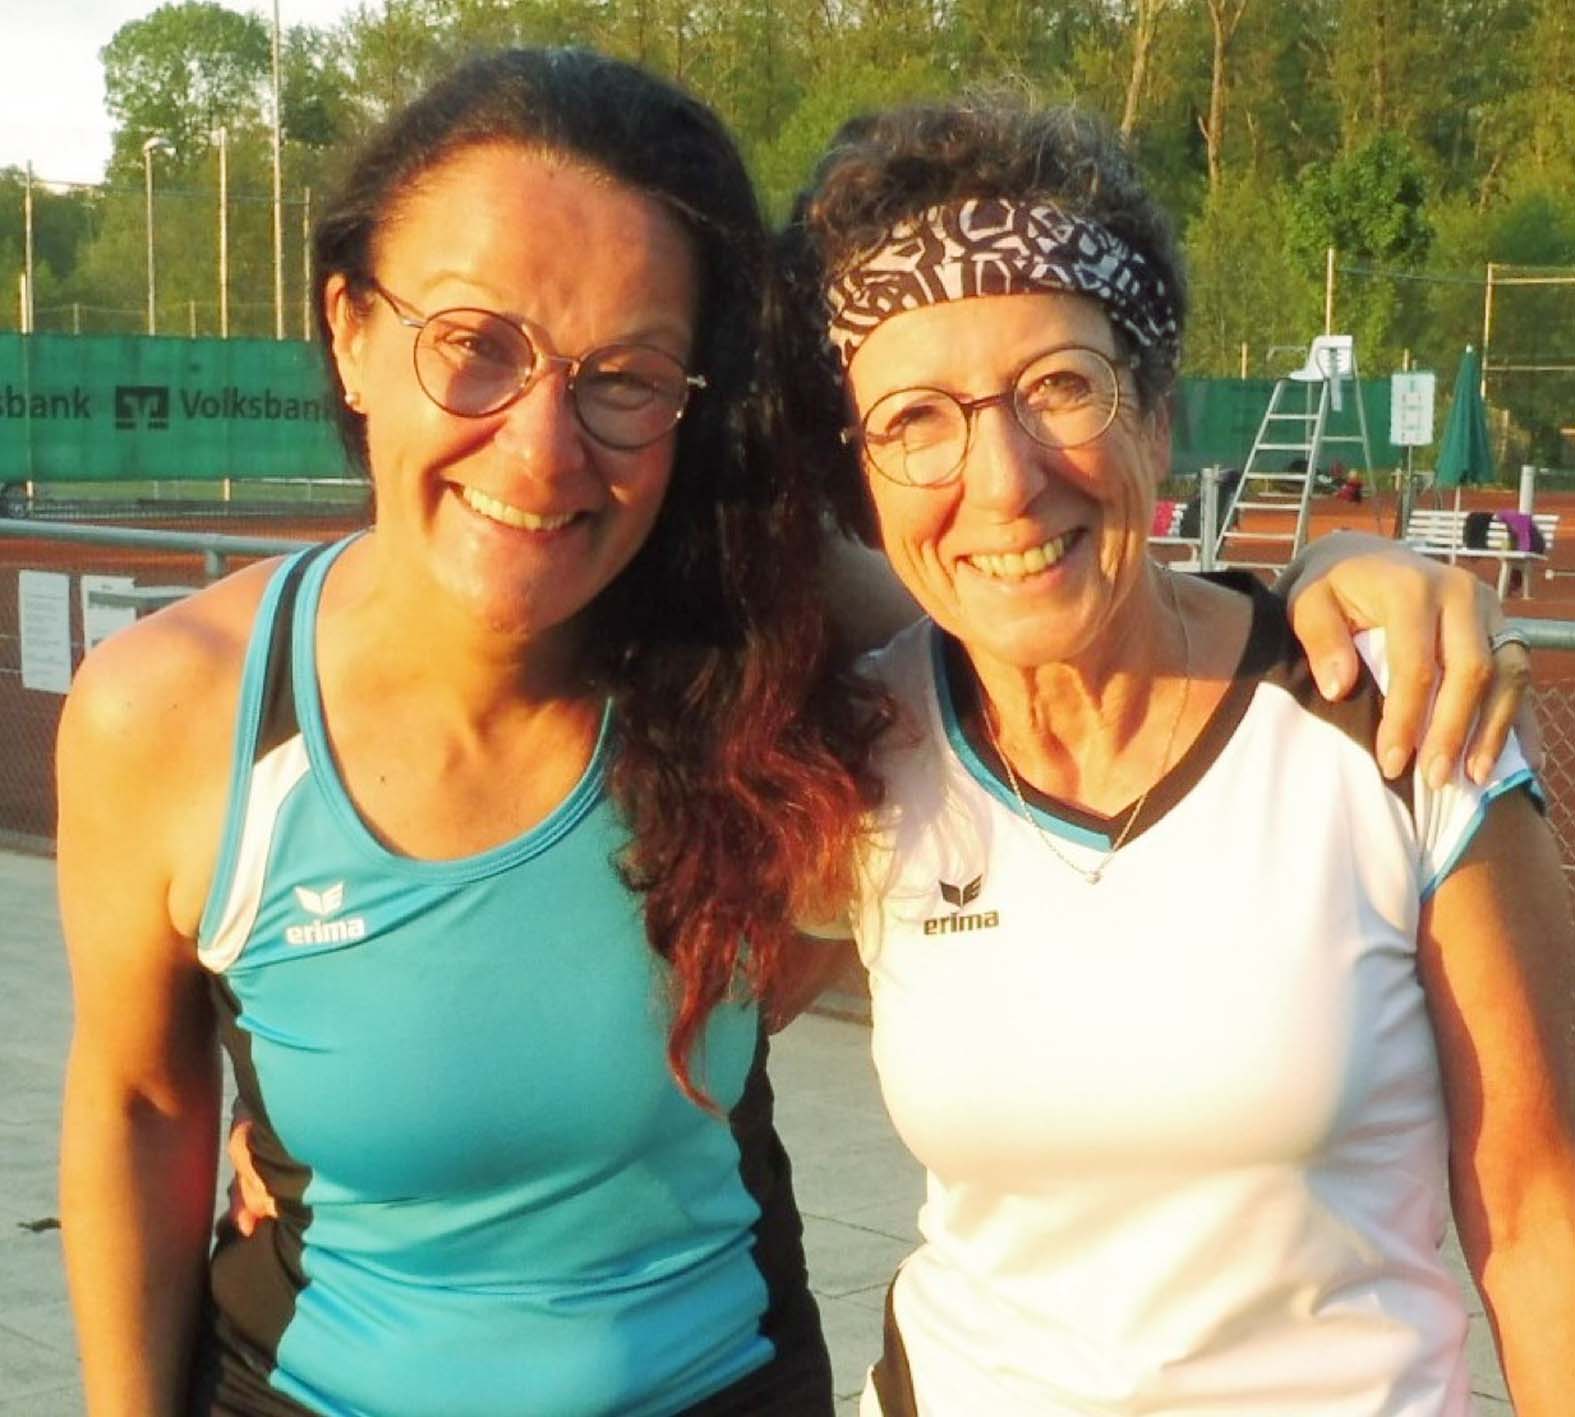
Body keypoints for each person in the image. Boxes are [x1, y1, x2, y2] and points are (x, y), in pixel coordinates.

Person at [67, 47, 1534, 1417]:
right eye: (473, 345)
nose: (542, 446)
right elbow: (138, 1103)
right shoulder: (177, 715)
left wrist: (1348, 578)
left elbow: (1036, 593)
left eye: (625, 376)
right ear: (349, 330)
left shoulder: (775, 641)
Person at [774, 98, 1575, 1416]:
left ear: (1154, 416)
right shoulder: (857, 751)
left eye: (1058, 386)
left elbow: (1545, 1224)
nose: (1003, 478)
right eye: (915, 417)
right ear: (861, 473)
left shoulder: (1399, 724)